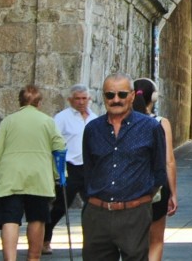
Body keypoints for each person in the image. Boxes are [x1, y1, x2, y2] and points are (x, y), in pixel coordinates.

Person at [82, 73, 167, 260]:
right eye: (110, 95)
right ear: (104, 97)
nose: (116, 100)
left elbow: (159, 169)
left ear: (132, 96)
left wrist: (141, 201)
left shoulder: (150, 127)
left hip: (134, 213)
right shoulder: (92, 129)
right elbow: (88, 170)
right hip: (97, 215)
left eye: (121, 94)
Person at [0, 84, 66, 261]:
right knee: (37, 217)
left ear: (20, 102)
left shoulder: (8, 121)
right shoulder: (48, 122)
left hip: (10, 176)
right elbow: (60, 148)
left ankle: (10, 259)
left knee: (10, 218)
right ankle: (33, 258)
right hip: (39, 177)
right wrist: (59, 174)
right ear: (40, 103)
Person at [44, 83, 96, 255]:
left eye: (84, 98)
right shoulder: (62, 118)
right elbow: (52, 140)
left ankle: (91, 240)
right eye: (77, 99)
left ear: (89, 99)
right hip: (69, 167)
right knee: (60, 206)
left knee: (92, 206)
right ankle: (45, 239)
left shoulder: (93, 118)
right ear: (70, 100)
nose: (81, 102)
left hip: (88, 168)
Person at [133, 78, 178, 261]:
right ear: (154, 98)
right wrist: (173, 193)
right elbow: (169, 161)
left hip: (129, 187)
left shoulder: (123, 122)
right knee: (156, 240)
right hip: (155, 188)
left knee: (132, 240)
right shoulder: (160, 122)